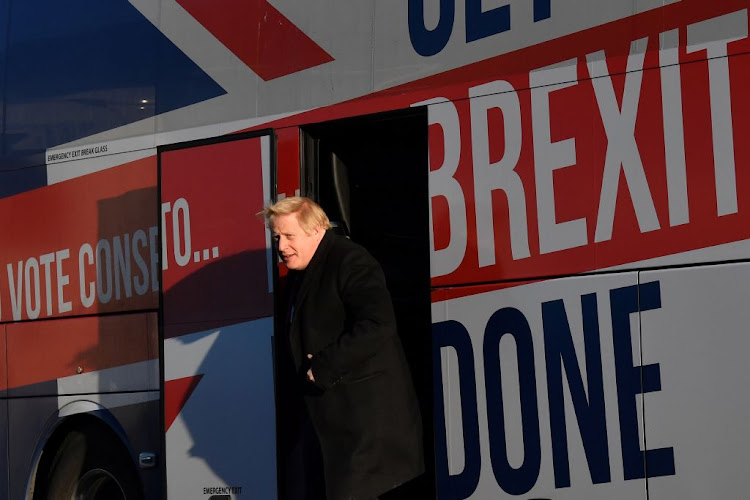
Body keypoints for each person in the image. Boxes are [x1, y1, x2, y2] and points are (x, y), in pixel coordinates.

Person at [261, 197, 424, 500]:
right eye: (276, 237)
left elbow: (378, 324)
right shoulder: (302, 273)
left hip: (365, 432)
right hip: (330, 429)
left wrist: (323, 366)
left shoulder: (350, 260)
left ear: (316, 230)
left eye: (288, 236)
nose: (281, 246)